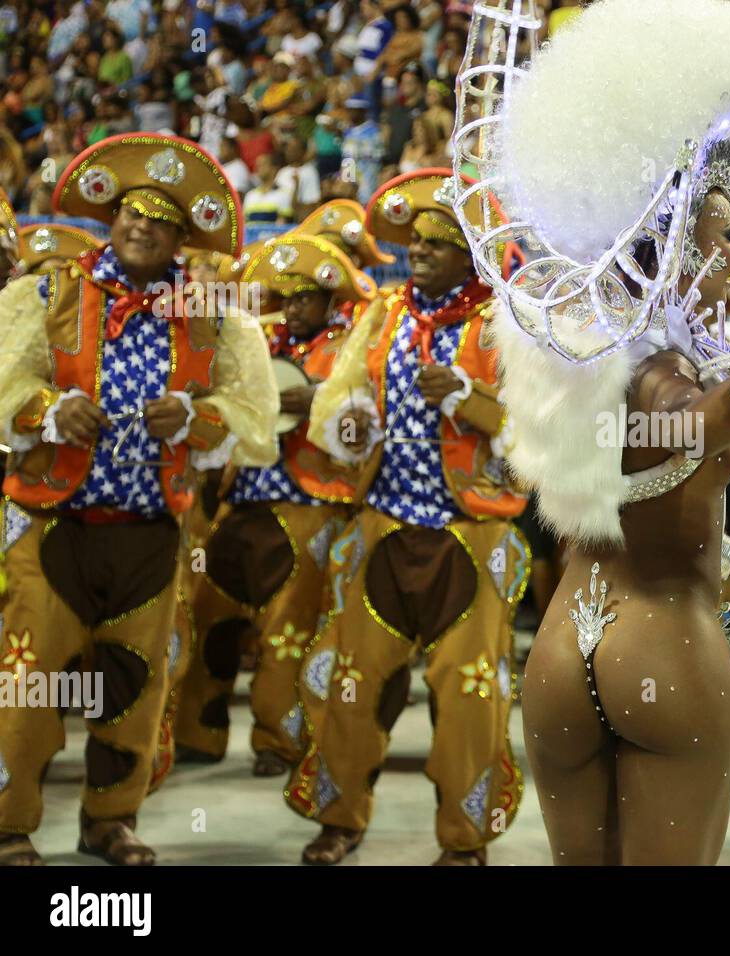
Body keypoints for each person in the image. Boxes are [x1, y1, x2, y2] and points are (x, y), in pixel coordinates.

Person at [455, 0, 730, 864]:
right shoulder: (656, 362)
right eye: (719, 233)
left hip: (561, 654)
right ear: (666, 235)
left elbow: (622, 488)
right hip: (662, 647)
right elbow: (697, 428)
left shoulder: (567, 339)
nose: (727, 259)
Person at [0, 133, 277, 866]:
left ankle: (109, 821)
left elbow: (255, 420)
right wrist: (47, 412)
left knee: (132, 685)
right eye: (129, 210)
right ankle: (9, 823)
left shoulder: (216, 313)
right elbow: (4, 384)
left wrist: (196, 418)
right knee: (26, 682)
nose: (139, 224)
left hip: (153, 530)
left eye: (158, 217)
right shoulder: (48, 291)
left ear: (183, 237)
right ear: (109, 216)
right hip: (50, 522)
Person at [284, 169, 529, 866]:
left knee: (471, 694)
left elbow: (544, 439)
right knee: (351, 681)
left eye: (437, 242)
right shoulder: (385, 312)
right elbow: (340, 399)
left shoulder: (504, 322)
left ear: (469, 255)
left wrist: (467, 400)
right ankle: (339, 819)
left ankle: (465, 839)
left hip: (471, 535)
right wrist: (354, 422)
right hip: (383, 527)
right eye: (416, 240)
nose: (418, 251)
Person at [170, 235, 375, 775]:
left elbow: (367, 421)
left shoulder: (349, 349)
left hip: (311, 503)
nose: (297, 307)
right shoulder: (259, 342)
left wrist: (321, 399)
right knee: (209, 613)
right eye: (290, 297)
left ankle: (277, 742)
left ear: (331, 300)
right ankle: (197, 733)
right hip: (242, 500)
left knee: (288, 629)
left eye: (308, 296)